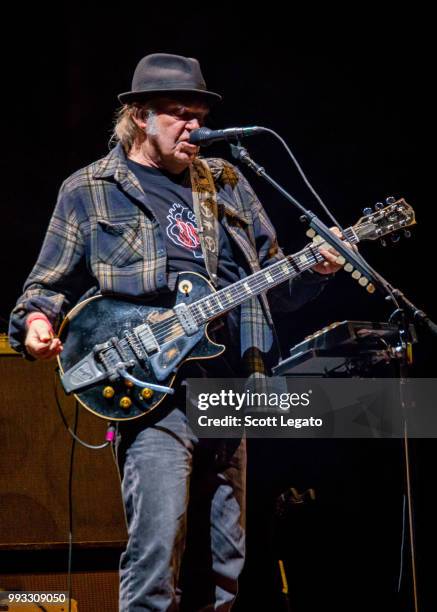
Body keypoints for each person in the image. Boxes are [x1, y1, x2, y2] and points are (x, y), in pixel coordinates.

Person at [9, 53, 343, 611]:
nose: (195, 126)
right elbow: (43, 286)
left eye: (200, 113)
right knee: (156, 554)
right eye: (179, 113)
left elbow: (275, 286)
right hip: (154, 395)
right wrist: (37, 323)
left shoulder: (228, 182)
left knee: (226, 561)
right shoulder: (91, 188)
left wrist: (319, 268)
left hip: (232, 386)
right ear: (140, 116)